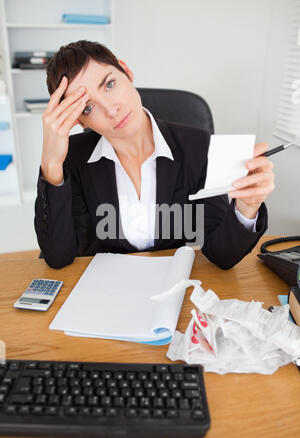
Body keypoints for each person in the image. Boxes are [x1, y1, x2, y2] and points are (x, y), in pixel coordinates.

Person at [34, 40, 274, 269]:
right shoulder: (74, 158)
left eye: (109, 84)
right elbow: (58, 257)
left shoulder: (196, 146)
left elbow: (221, 256)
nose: (111, 109)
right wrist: (52, 165)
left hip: (173, 289)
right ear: (78, 120)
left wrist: (246, 206)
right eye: (87, 107)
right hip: (106, 293)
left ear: (126, 71)